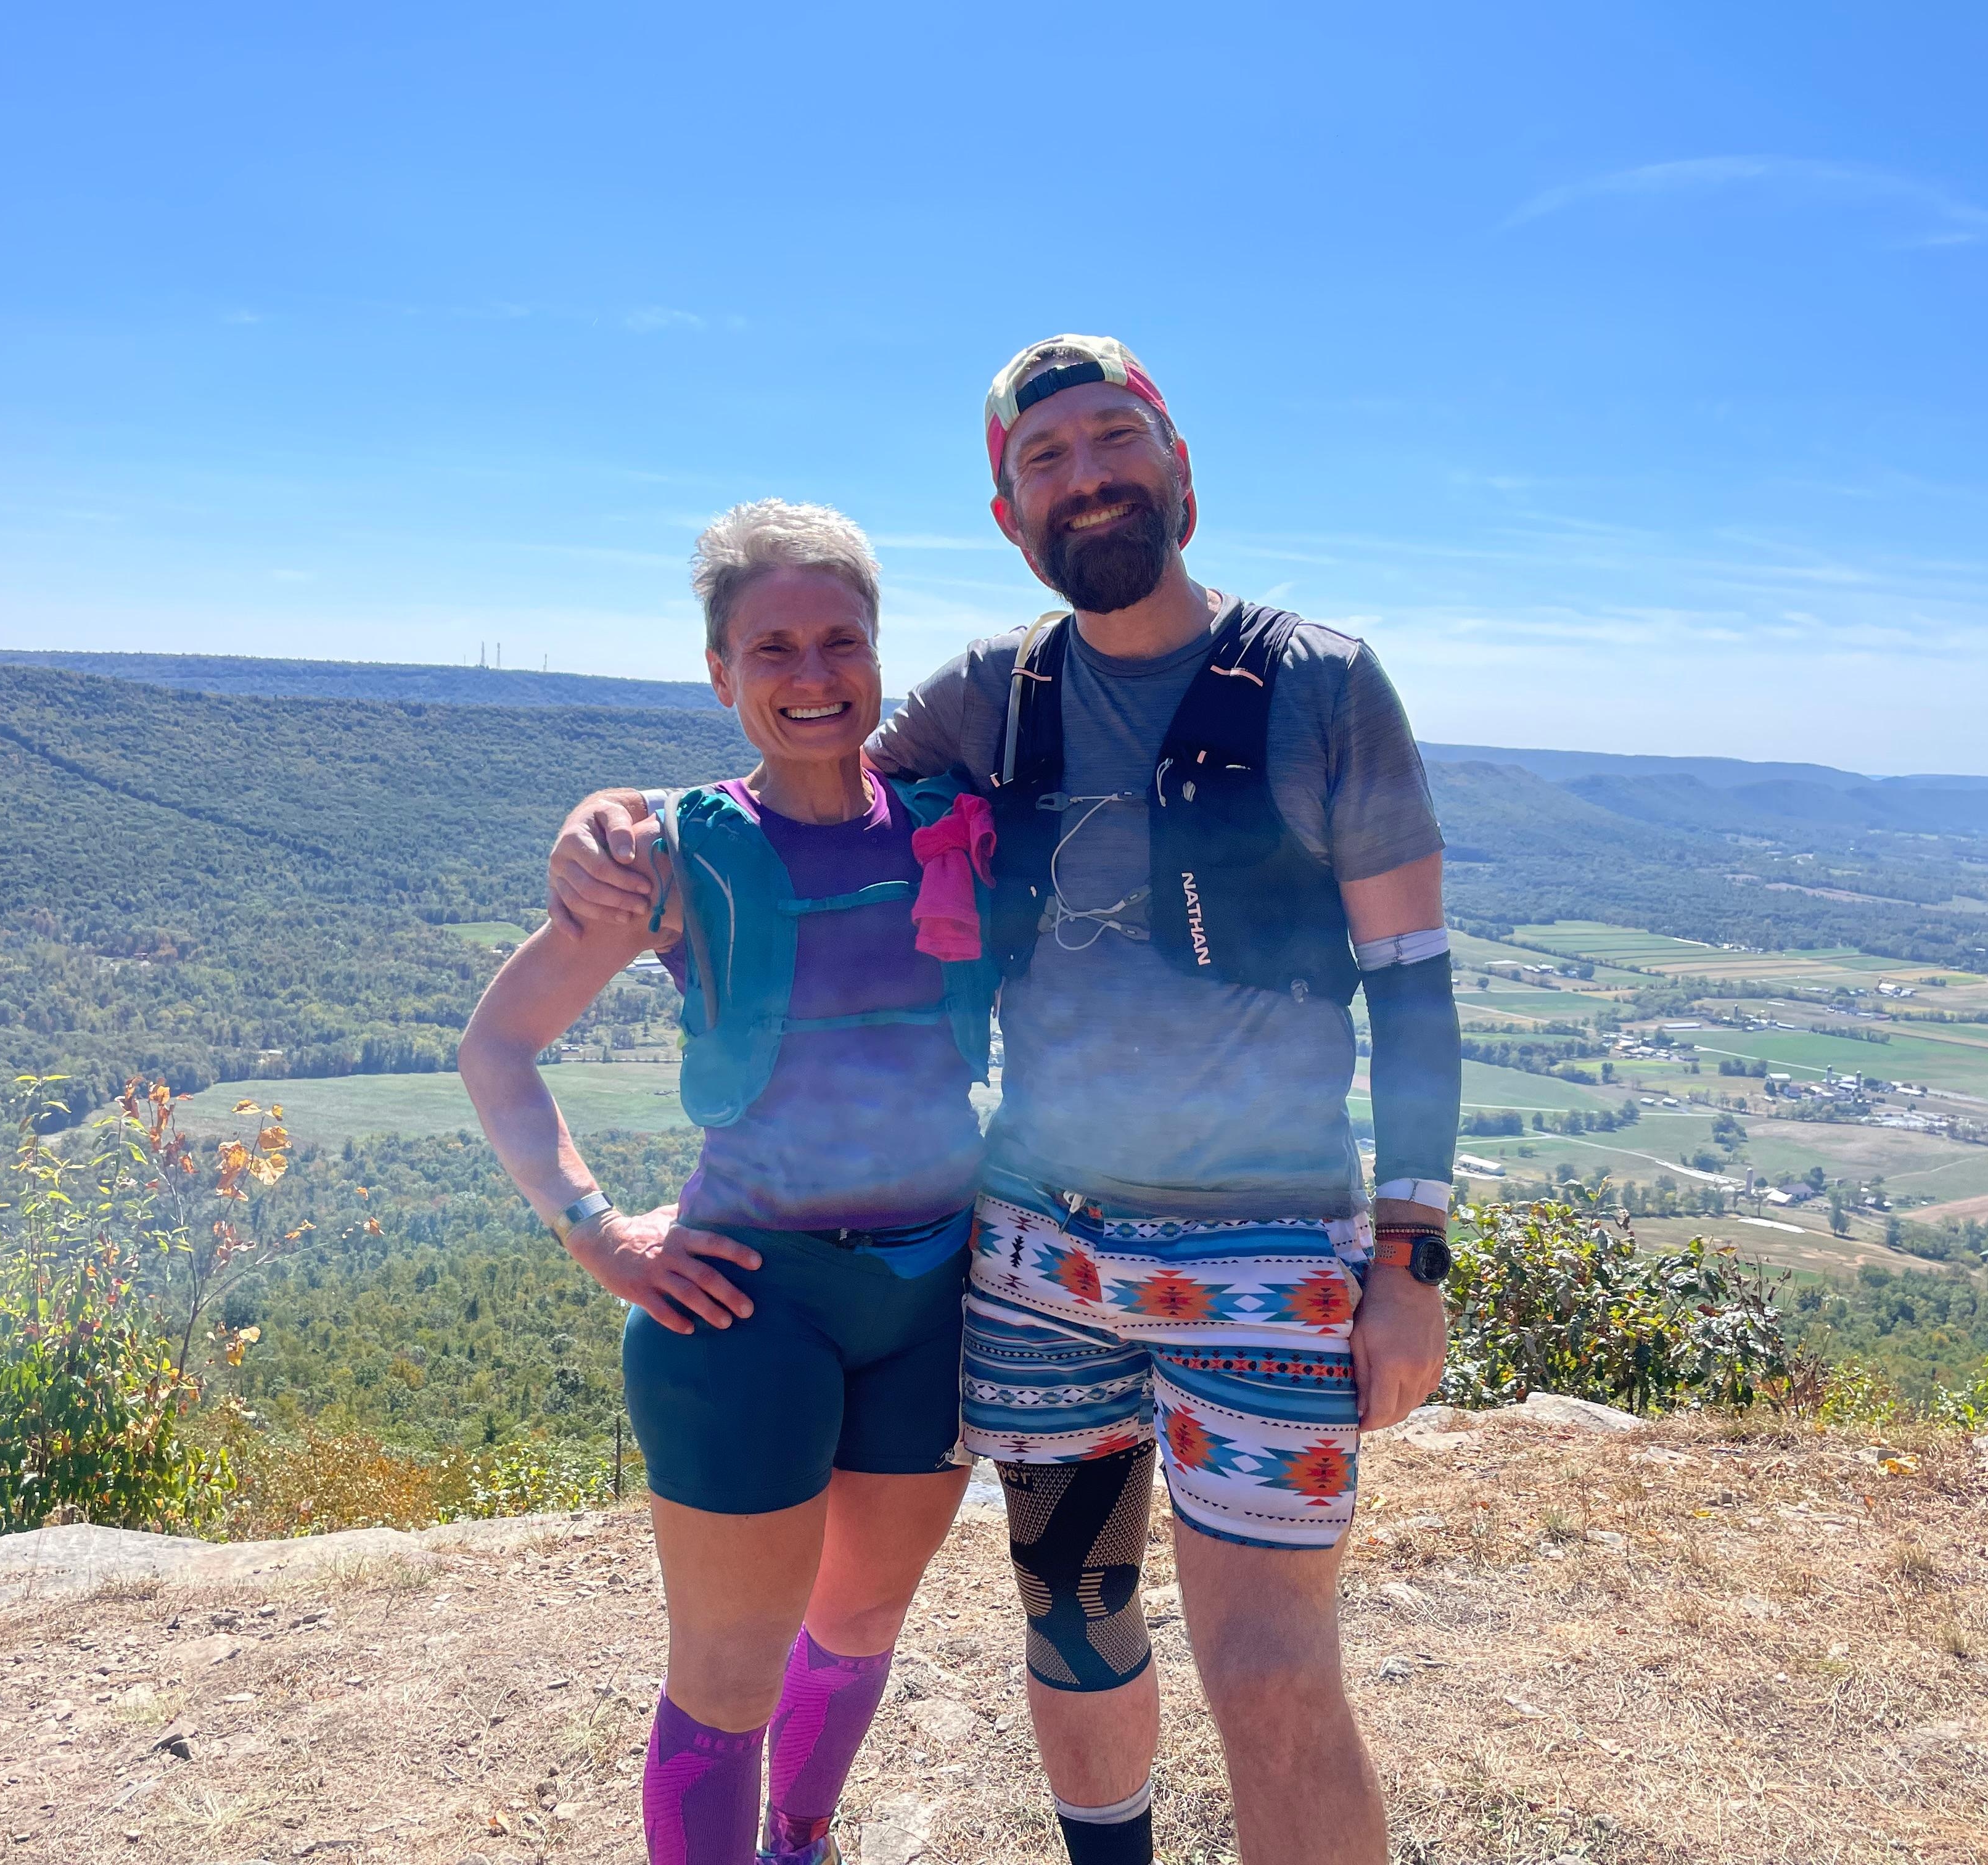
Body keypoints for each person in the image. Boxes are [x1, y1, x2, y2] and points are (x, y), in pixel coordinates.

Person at [547, 338, 1461, 1865]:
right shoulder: (992, 695)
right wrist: (616, 824)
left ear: (1180, 468)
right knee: (1079, 1620)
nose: (1086, 475)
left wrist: (1412, 1259)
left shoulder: (1317, 683)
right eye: (1046, 458)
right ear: (1007, 514)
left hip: (1267, 1257)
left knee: (1269, 1668)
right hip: (1044, 1262)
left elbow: (1413, 983)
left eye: (1114, 437)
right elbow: (803, 787)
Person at [459, 500, 1003, 1865]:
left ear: (879, 652)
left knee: (862, 1624)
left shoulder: (953, 826)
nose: (813, 674)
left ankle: (801, 1843)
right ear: (720, 673)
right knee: (727, 1674)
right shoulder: (675, 855)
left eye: (842, 640)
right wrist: (596, 1233)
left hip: (936, 1297)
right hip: (746, 1305)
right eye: (773, 648)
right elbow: (498, 1047)